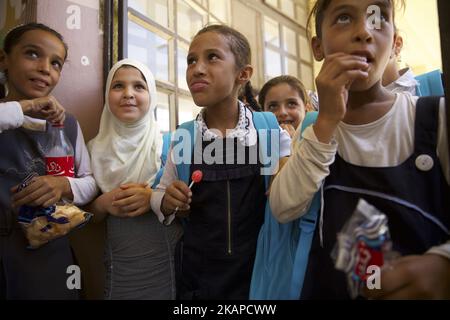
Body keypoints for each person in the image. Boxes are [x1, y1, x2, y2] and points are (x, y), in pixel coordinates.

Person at [269, 0, 450, 299]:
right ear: (317, 48)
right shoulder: (318, 129)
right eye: (343, 18)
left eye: (378, 18)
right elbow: (283, 207)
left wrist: (444, 263)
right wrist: (326, 120)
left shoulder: (436, 117)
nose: (364, 32)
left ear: (393, 43)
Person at [150, 25, 291, 299]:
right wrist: (167, 201)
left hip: (260, 276)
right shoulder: (184, 137)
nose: (197, 69)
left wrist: (288, 167)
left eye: (212, 57)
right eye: (191, 60)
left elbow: (291, 192)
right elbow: (157, 193)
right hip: (198, 280)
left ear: (243, 74)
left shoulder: (268, 130)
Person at [0, 23, 97, 299]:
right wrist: (23, 108)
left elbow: (89, 183)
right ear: (3, 59)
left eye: (56, 63)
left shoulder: (68, 125)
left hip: (48, 255)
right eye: (32, 54)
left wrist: (63, 185)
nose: (45, 68)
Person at [87, 59, 183, 300]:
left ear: (151, 96)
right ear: (107, 94)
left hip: (170, 264)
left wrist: (152, 198)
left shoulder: (172, 144)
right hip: (121, 268)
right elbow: (86, 216)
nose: (128, 94)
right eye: (118, 86)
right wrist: (103, 203)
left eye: (139, 87)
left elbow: (191, 206)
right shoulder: (92, 150)